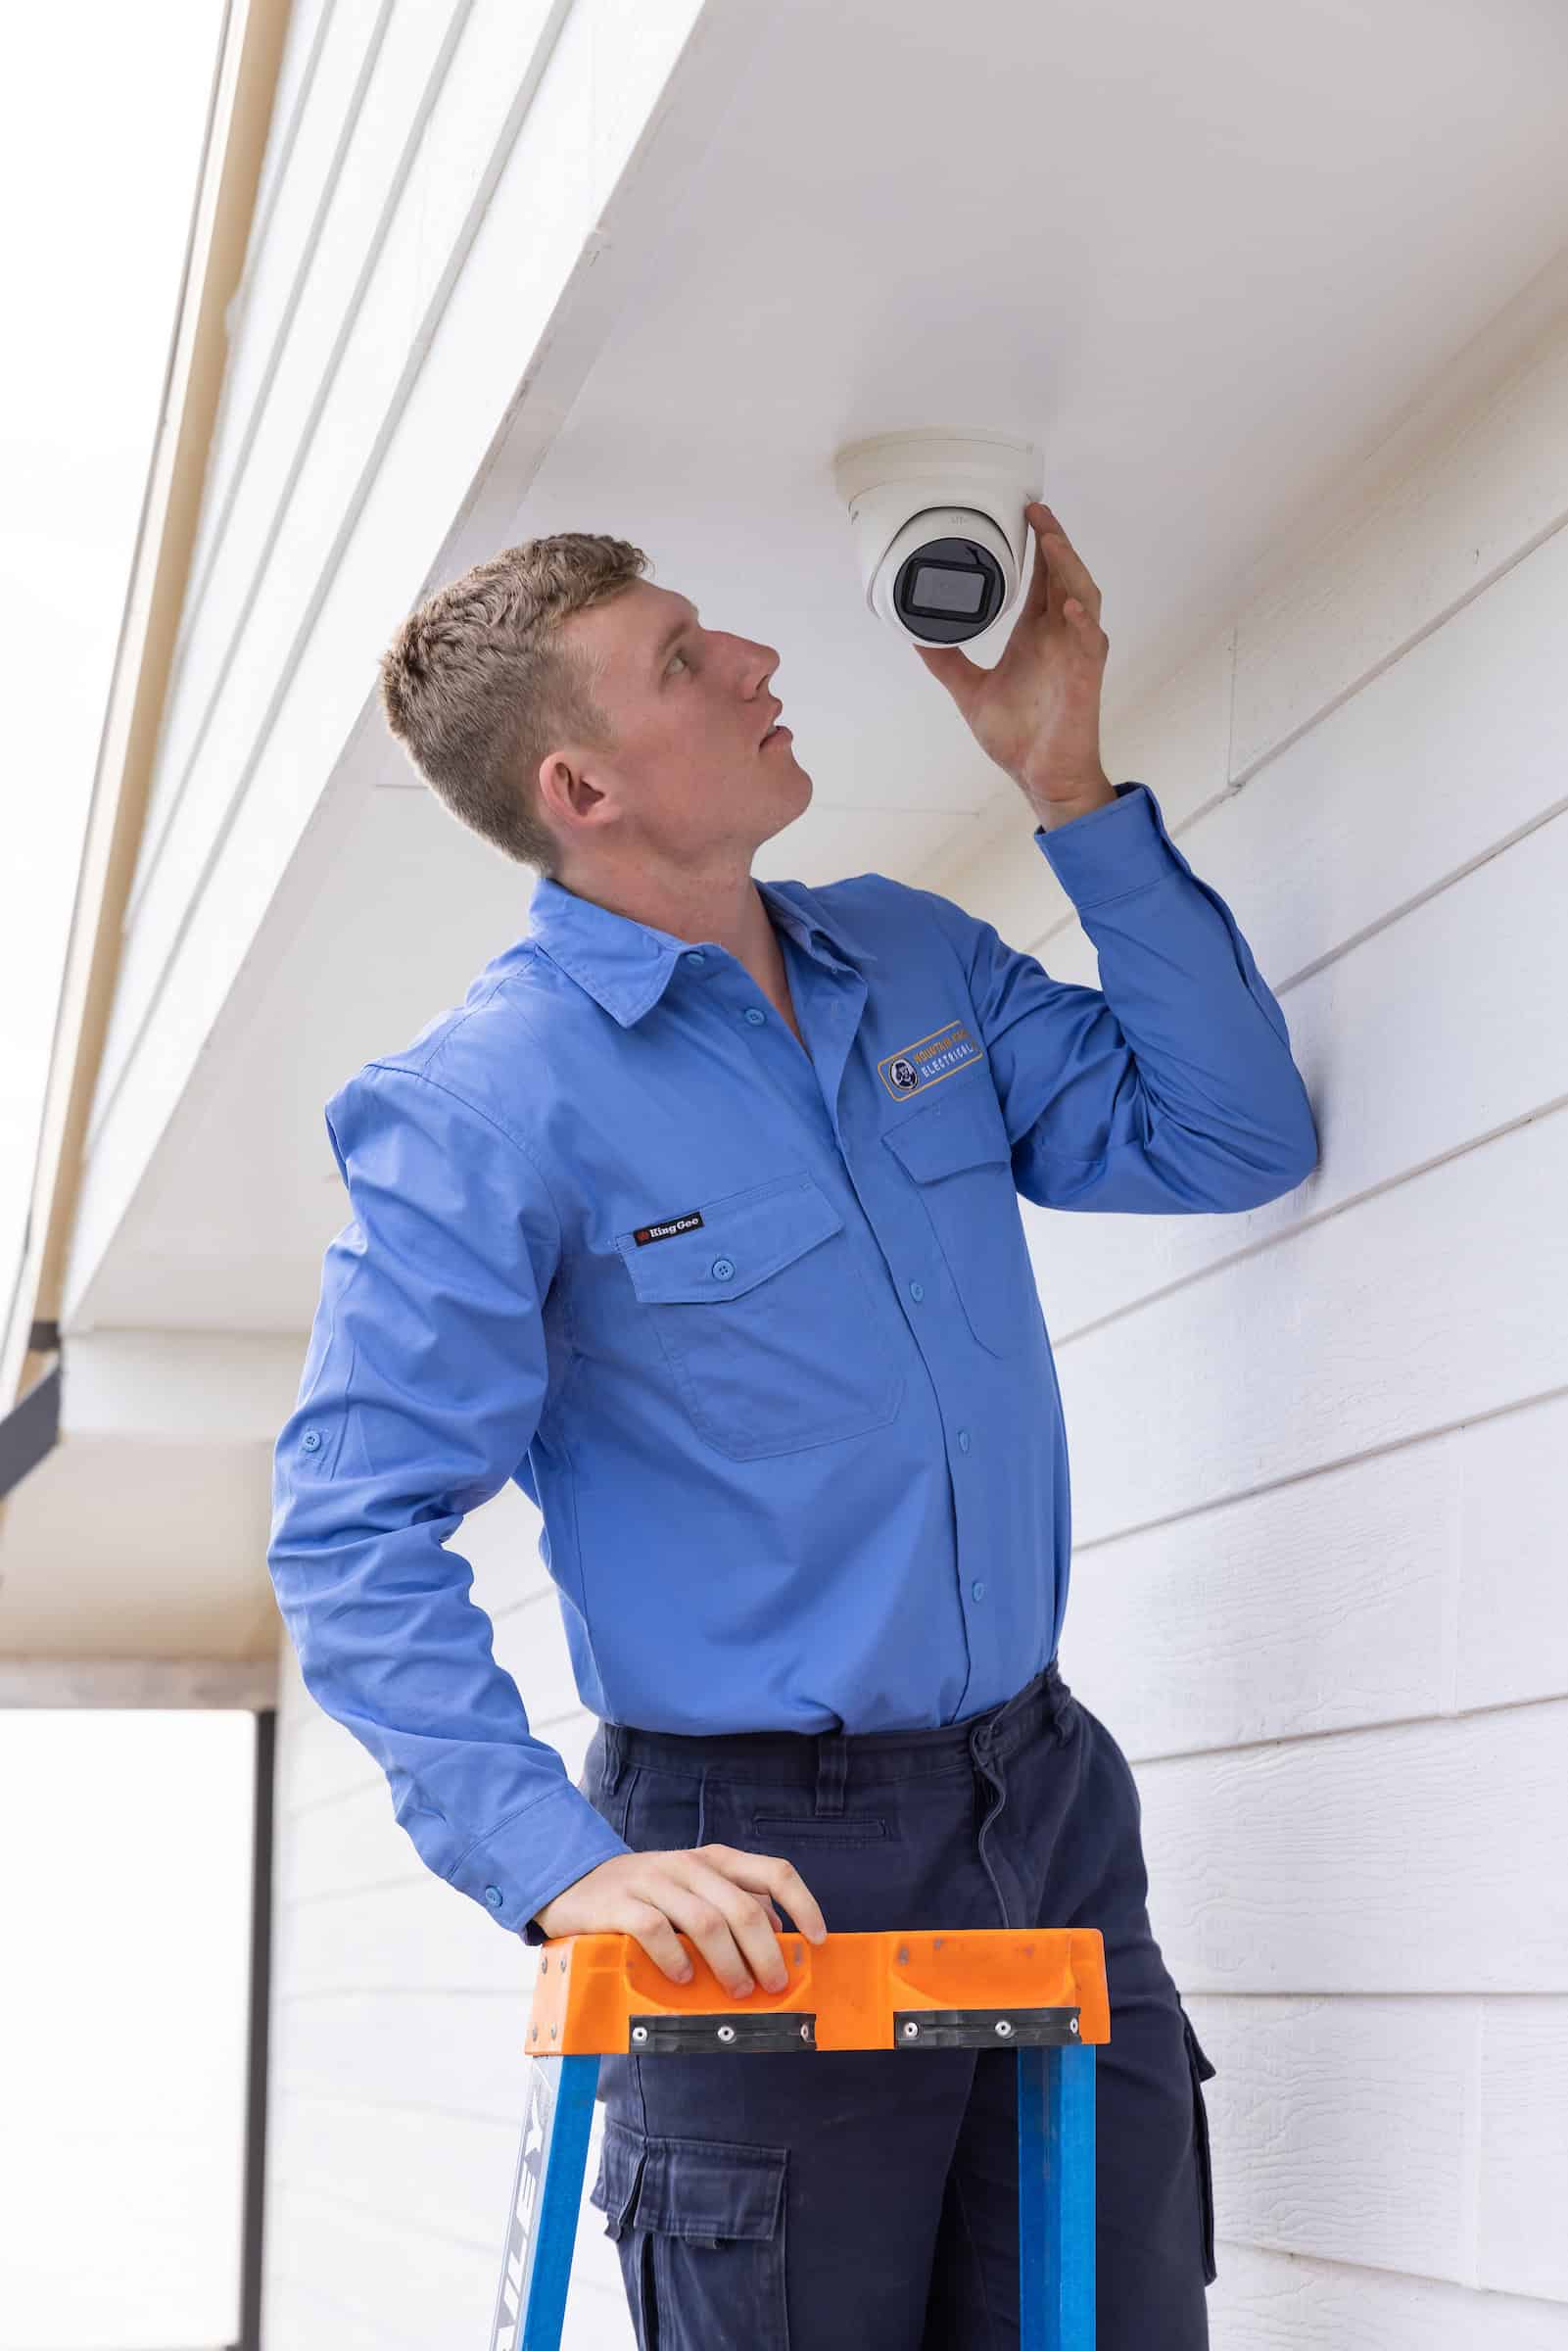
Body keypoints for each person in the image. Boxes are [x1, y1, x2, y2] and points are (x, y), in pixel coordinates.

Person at [268, 504, 1317, 2349]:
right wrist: (560, 1865)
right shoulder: (481, 1105)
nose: (755, 663)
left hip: (1046, 1800)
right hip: (755, 1873)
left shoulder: (910, 962)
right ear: (580, 786)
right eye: (684, 657)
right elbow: (349, 1532)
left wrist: (1069, 788)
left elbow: (1226, 1137)